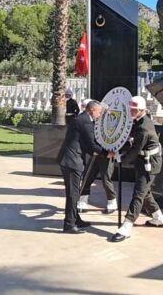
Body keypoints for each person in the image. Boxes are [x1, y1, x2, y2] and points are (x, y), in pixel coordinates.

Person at [111, 96, 163, 242]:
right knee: (145, 192)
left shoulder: (143, 127)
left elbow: (135, 149)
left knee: (138, 195)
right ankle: (158, 218)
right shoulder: (138, 121)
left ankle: (127, 226)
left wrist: (121, 158)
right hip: (142, 162)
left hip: (150, 164)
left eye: (133, 109)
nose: (131, 111)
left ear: (141, 110)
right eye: (130, 108)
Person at [57, 100, 106, 234]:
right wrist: (107, 153)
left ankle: (75, 218)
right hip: (72, 161)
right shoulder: (85, 122)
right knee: (73, 193)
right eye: (99, 112)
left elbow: (86, 143)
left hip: (69, 159)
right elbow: (91, 144)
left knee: (74, 192)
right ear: (93, 110)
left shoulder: (82, 119)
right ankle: (69, 224)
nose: (100, 114)